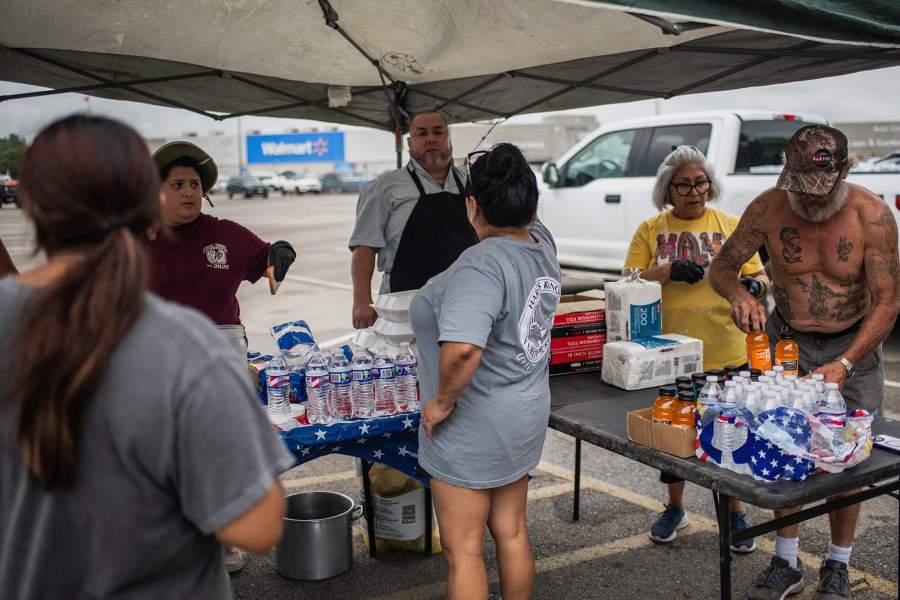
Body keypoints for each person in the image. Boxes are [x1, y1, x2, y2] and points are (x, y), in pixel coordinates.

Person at [0, 115, 294, 599]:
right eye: (174, 184)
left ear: (29, 205)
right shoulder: (181, 346)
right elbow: (259, 526)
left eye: (193, 184)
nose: (187, 192)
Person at [710, 125, 899, 600]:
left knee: (847, 461)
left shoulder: (872, 215)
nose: (810, 202)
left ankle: (837, 563)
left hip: (850, 347)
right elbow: (722, 267)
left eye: (820, 190)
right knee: (781, 445)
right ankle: (786, 559)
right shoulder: (768, 206)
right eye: (800, 188)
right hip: (786, 342)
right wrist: (738, 296)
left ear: (845, 171)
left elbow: (887, 301)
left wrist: (847, 364)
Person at [409, 143, 561, 600]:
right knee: (511, 531)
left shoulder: (482, 264)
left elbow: (460, 352)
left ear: (472, 205)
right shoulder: (541, 243)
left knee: (465, 551)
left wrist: (441, 402)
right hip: (523, 412)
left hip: (473, 425)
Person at [625, 145, 768, 551]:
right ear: (667, 191)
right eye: (683, 185)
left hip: (728, 347)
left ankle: (735, 512)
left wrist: (754, 287)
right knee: (676, 433)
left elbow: (758, 275)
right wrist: (667, 271)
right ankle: (675, 507)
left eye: (700, 182)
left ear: (711, 185)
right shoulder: (651, 229)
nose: (694, 191)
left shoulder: (729, 224)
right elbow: (630, 281)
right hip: (672, 352)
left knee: (731, 432)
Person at [349, 110, 478, 328]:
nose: (431, 138)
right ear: (410, 143)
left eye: (438, 132)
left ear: (448, 138)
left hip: (467, 297)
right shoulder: (384, 187)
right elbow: (364, 246)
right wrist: (361, 300)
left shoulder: (473, 181)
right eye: (422, 133)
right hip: (405, 303)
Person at [149, 140, 296, 328]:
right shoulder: (137, 240)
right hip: (158, 351)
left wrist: (282, 250)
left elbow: (269, 265)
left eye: (195, 184)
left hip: (223, 350)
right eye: (178, 185)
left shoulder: (228, 235)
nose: (189, 192)